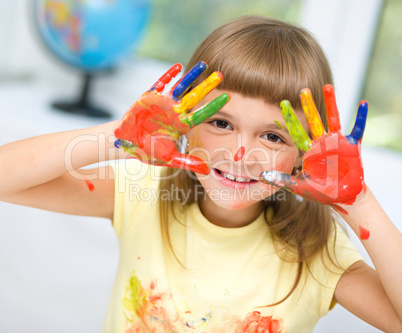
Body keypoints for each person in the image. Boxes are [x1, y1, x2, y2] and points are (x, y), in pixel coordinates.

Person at [0, 15, 401, 333]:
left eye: (273, 136)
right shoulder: (142, 195)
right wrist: (117, 137)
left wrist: (358, 201)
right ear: (185, 124)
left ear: (301, 154)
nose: (241, 154)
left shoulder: (315, 249)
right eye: (221, 124)